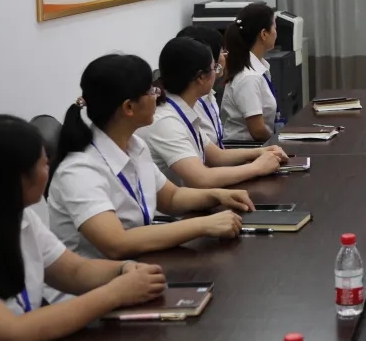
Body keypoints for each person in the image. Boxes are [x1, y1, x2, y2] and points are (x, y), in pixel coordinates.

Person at [0, 115, 167, 341]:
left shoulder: (21, 216)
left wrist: (123, 269)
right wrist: (115, 293)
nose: (49, 170)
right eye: (44, 164)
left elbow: (73, 271)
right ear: (17, 178)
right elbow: (10, 336)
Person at [47, 55, 253, 261]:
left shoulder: (134, 145)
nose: (157, 95)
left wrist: (217, 195)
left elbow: (171, 198)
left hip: (138, 265)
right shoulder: (79, 171)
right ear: (128, 107)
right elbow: (117, 243)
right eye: (151, 91)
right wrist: (203, 225)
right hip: (101, 277)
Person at [138, 38, 289, 188]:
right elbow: (202, 178)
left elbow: (217, 156)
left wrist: (263, 151)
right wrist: (257, 167)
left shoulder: (183, 107)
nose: (218, 72)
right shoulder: (166, 120)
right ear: (201, 77)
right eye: (214, 68)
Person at [220, 3, 281, 143]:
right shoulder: (249, 77)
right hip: (247, 147)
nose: (276, 33)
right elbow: (258, 131)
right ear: (264, 34)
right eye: (274, 28)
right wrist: (279, 144)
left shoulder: (259, 67)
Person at [175, 25, 227, 148]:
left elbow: (217, 153)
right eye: (222, 52)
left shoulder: (208, 95)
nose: (225, 57)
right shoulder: (192, 101)